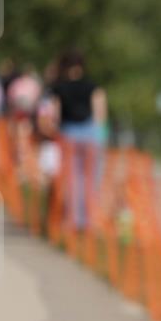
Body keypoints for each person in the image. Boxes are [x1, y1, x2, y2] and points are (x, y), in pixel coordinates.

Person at [50, 49, 107, 231]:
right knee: (91, 179)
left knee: (72, 179)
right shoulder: (93, 87)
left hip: (69, 135)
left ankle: (73, 220)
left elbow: (55, 116)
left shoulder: (58, 88)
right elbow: (100, 115)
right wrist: (99, 138)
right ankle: (90, 220)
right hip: (91, 135)